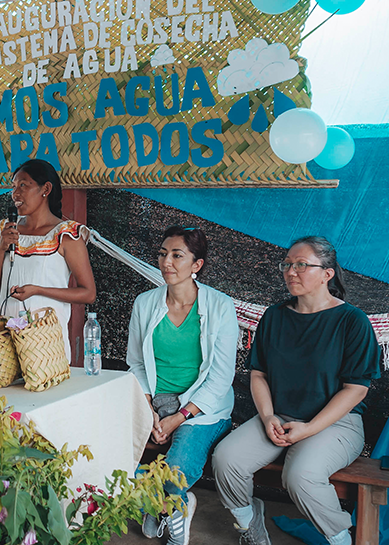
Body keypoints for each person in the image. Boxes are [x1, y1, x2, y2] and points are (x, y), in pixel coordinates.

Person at [211, 236, 381, 545]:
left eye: (301, 265)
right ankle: (249, 523)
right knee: (226, 458)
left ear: (327, 273)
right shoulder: (275, 316)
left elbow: (356, 389)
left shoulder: (352, 322)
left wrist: (309, 429)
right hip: (279, 416)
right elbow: (259, 375)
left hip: (336, 423)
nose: (291, 271)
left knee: (299, 475)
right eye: (287, 264)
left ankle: (340, 538)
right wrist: (266, 417)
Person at [126, 226, 237, 545]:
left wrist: (179, 417)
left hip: (201, 407)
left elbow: (220, 376)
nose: (166, 262)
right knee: (113, 456)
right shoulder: (145, 303)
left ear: (197, 265)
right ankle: (166, 508)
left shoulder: (220, 307)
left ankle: (172, 505)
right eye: (162, 254)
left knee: (176, 471)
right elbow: (136, 363)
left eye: (177, 255)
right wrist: (147, 408)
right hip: (155, 401)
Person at [0, 159, 95, 361]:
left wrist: (38, 290)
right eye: (13, 186)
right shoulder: (5, 230)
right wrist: (1, 248)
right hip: (4, 344)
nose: (15, 193)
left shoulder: (66, 234)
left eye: (23, 185)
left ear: (46, 189)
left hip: (46, 347)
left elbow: (88, 293)